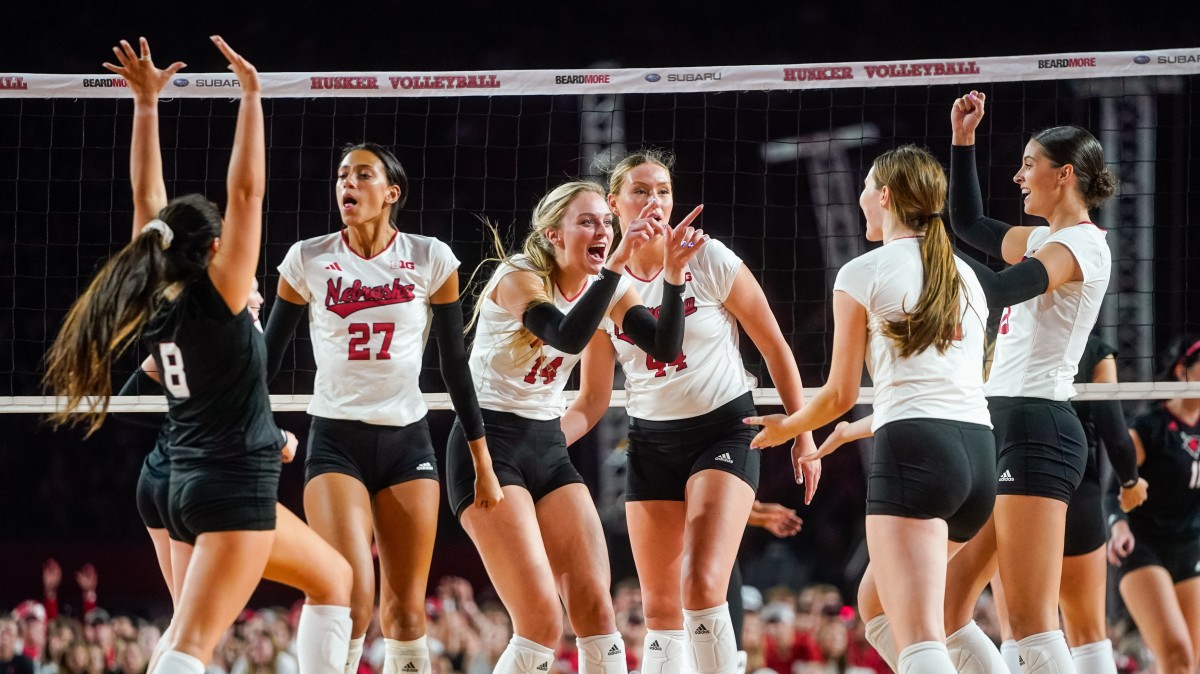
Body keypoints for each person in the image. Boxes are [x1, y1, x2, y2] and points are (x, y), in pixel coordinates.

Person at [43, 36, 351, 674]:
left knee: (333, 577)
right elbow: (248, 195)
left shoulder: (153, 296)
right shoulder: (220, 301)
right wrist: (252, 97)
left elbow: (144, 202)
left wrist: (147, 104)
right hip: (227, 487)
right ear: (214, 251)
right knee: (190, 646)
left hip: (182, 478)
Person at [560, 149, 820, 674]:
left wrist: (803, 434)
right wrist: (532, 445)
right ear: (614, 204)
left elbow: (775, 348)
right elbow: (590, 401)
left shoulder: (710, 258)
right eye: (639, 190)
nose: (653, 201)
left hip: (725, 429)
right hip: (652, 442)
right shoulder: (603, 289)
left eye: (662, 190)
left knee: (701, 585)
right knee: (660, 609)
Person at [745, 145, 993, 674]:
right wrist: (854, 430)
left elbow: (836, 394)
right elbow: (944, 389)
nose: (859, 200)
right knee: (877, 608)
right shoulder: (968, 277)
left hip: (915, 456)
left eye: (865, 188)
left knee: (922, 633)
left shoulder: (863, 271)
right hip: (978, 458)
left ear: (884, 196)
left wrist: (787, 428)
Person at [264, 135, 502, 674]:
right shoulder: (308, 258)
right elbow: (266, 361)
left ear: (392, 192)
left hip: (406, 439)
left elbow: (454, 365)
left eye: (363, 175)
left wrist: (482, 461)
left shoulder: (430, 256)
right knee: (352, 596)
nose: (348, 183)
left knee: (406, 613)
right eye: (343, 175)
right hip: (335, 439)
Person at [446, 179, 702, 674]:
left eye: (605, 222)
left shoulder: (610, 286)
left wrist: (671, 276)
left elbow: (665, 348)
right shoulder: (517, 276)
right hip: (486, 445)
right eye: (586, 221)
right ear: (552, 235)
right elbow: (565, 336)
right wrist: (612, 269)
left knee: (597, 613)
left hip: (545, 444)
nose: (602, 230)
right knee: (541, 622)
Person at [938, 90, 1116, 674]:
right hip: (1001, 423)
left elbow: (1001, 289)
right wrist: (963, 140)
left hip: (1039, 426)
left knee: (1030, 622)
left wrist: (913, 262)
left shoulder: (1082, 244)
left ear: (1064, 175)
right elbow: (965, 222)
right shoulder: (1042, 238)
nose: (1018, 176)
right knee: (948, 607)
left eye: (1028, 164)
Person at [1107, 335, 1200, 674]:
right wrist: (1117, 525)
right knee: (1175, 653)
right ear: (1182, 370)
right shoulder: (1149, 427)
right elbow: (1113, 489)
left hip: (1189, 546)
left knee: (1188, 663)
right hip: (1143, 546)